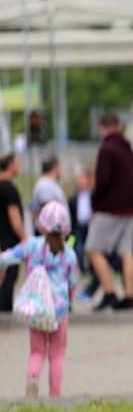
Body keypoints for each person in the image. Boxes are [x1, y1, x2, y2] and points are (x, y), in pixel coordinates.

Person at [0, 201, 78, 398]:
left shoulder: (32, 246)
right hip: (59, 311)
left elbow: (7, 257)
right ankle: (55, 395)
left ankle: (32, 383)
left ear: (41, 225)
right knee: (57, 354)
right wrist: (69, 300)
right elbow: (73, 282)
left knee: (37, 352)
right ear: (66, 226)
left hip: (37, 308)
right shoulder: (69, 254)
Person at [86, 111, 133, 311]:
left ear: (103, 128)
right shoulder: (128, 148)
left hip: (110, 207)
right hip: (130, 207)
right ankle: (129, 294)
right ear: (119, 125)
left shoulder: (107, 149)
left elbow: (103, 180)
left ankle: (109, 292)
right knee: (127, 251)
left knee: (93, 248)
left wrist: (95, 202)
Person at [0, 154, 27, 312]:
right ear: (10, 166)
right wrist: (25, 240)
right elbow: (15, 221)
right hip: (9, 242)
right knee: (8, 280)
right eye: (17, 163)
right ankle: (4, 314)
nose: (20, 167)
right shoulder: (10, 189)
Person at [67, 168, 93, 275]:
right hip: (77, 227)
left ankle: (92, 269)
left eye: (82, 179)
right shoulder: (73, 197)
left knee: (91, 248)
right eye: (79, 179)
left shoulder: (92, 195)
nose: (80, 181)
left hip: (90, 226)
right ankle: (82, 269)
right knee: (78, 248)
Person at [29, 156, 67, 221]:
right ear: (54, 168)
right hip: (53, 229)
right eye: (59, 167)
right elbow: (49, 215)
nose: (60, 170)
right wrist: (56, 229)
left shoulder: (50, 183)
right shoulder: (46, 185)